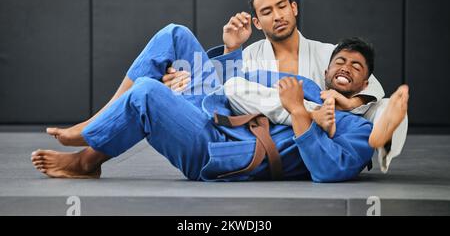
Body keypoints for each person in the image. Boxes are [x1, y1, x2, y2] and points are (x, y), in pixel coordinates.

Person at [31, 22, 407, 183]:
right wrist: (199, 71)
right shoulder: (306, 85)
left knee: (147, 92)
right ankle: (96, 122)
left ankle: (86, 159)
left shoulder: (360, 127)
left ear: (365, 80)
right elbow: (239, 82)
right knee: (174, 35)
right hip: (217, 112)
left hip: (221, 150)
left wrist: (298, 113)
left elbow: (330, 172)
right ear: (328, 71)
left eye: (356, 66)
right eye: (339, 61)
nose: (345, 68)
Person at [223, 37, 409, 150]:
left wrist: (348, 103)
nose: (346, 68)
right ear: (325, 73)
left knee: (386, 104)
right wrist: (231, 49)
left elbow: (372, 86)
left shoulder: (325, 51)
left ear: (293, 7)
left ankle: (379, 136)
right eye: (267, 11)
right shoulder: (254, 53)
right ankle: (312, 113)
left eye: (281, 6)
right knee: (233, 86)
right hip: (301, 114)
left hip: (345, 120)